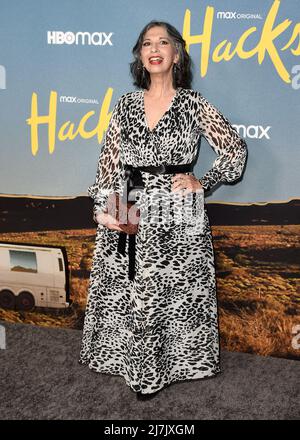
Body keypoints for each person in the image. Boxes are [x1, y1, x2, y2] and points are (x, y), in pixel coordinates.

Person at [78, 20, 247, 400]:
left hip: (178, 215)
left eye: (163, 42)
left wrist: (204, 180)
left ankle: (172, 367)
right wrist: (109, 208)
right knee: (134, 293)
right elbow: (110, 161)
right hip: (133, 206)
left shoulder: (193, 104)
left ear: (175, 54)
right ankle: (137, 369)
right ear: (140, 55)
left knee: (171, 296)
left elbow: (234, 150)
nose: (154, 48)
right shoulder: (125, 104)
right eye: (146, 43)